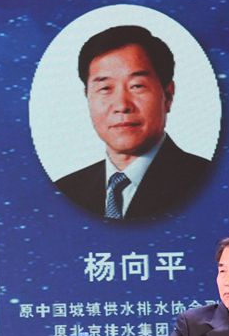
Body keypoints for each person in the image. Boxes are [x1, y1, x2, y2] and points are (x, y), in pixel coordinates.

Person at [55, 25, 210, 221]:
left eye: (137, 86)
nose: (122, 105)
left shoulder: (206, 181)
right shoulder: (66, 191)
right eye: (105, 88)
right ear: (88, 97)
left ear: (168, 95)